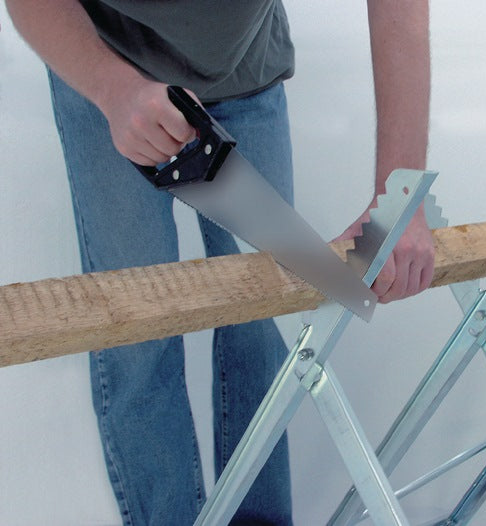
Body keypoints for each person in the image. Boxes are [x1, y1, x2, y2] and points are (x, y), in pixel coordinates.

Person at [7, 1, 433, 524]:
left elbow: (398, 11)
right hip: (106, 61)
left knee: (265, 331)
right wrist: (112, 88)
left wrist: (400, 198)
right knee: (137, 343)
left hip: (245, 69)